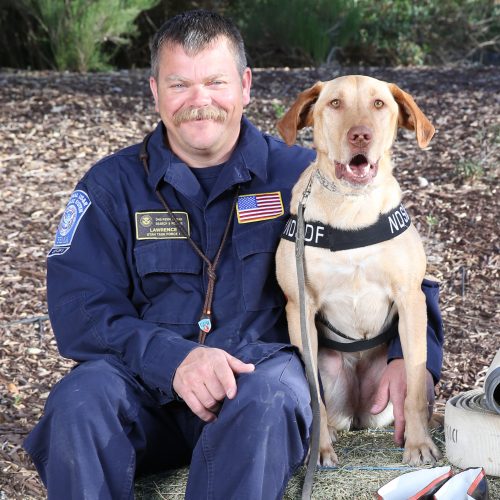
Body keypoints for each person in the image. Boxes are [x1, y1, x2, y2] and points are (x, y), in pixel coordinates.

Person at [24, 10, 444, 500]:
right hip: (143, 391)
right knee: (78, 402)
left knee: (270, 398)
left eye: (216, 82)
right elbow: (80, 311)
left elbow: (403, 270)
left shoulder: (304, 177)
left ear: (245, 86)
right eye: (180, 84)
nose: (199, 101)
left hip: (256, 382)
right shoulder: (111, 188)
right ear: (155, 91)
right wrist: (174, 361)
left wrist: (404, 359)